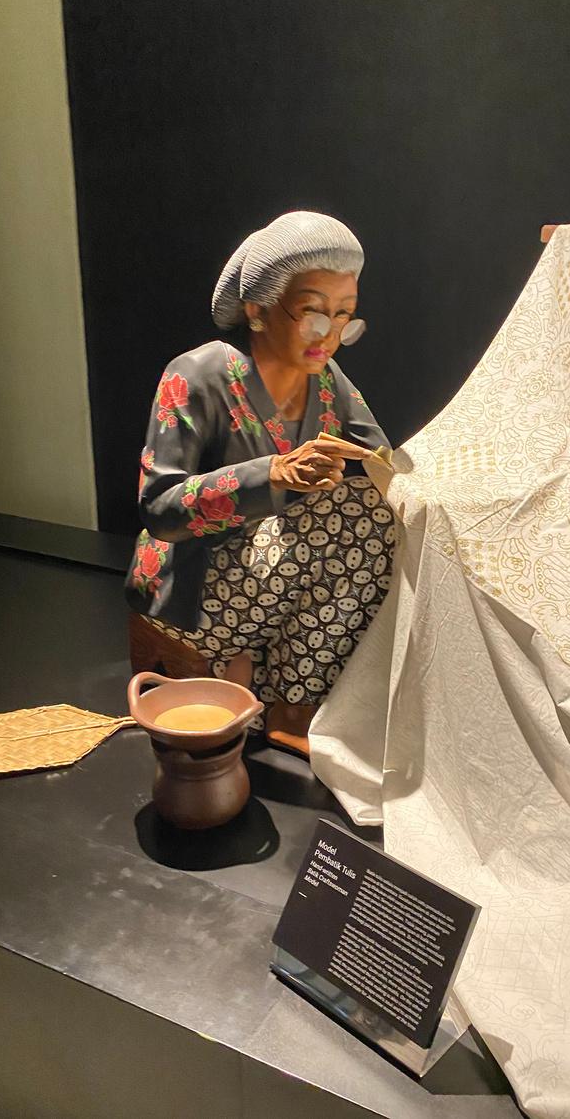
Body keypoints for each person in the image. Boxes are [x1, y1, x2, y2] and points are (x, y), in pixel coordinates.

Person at [126, 210, 396, 755]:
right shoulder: (198, 373)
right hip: (195, 582)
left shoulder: (328, 381)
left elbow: (384, 462)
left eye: (344, 317)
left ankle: (293, 700)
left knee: (384, 506)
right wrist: (270, 473)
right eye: (313, 313)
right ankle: (280, 696)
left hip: (278, 579)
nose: (330, 335)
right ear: (257, 309)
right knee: (355, 508)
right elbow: (158, 507)